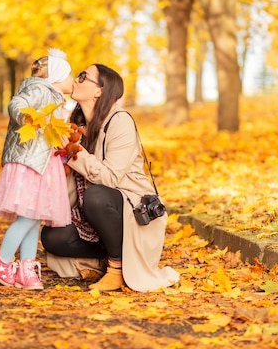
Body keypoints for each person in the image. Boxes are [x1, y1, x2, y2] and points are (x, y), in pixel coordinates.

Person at [40, 64, 180, 292]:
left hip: (129, 212)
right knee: (53, 236)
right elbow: (71, 187)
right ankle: (105, 261)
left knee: (96, 195)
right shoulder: (76, 127)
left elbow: (110, 178)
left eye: (84, 77)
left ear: (99, 91)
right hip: (94, 216)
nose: (76, 79)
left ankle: (116, 269)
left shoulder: (120, 121)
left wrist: (76, 153)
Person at [0, 49, 74, 291]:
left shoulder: (55, 97)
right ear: (55, 77)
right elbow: (16, 104)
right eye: (69, 75)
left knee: (35, 218)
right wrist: (28, 118)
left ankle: (26, 268)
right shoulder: (38, 89)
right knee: (29, 216)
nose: (73, 80)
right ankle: (1, 262)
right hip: (30, 162)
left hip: (44, 163)